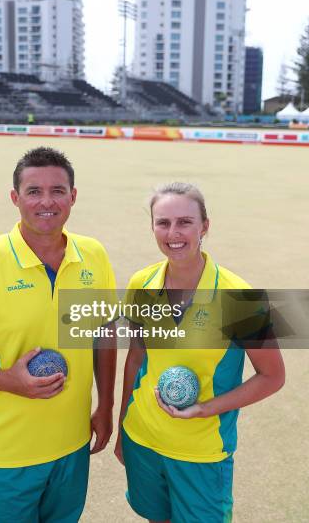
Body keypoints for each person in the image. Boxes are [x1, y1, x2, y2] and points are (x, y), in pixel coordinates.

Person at [0, 146, 117, 523]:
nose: (46, 202)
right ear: (15, 198)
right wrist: (5, 380)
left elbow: (104, 333)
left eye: (58, 191)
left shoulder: (93, 255)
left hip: (71, 449)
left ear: (73, 197)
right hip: (1, 455)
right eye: (33, 191)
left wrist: (106, 406)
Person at [115, 182, 285, 523]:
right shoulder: (140, 284)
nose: (173, 233)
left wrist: (206, 409)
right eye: (163, 223)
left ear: (204, 226)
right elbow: (136, 359)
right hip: (143, 438)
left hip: (201, 452)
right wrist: (122, 428)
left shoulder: (240, 297)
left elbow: (273, 377)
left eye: (184, 222)